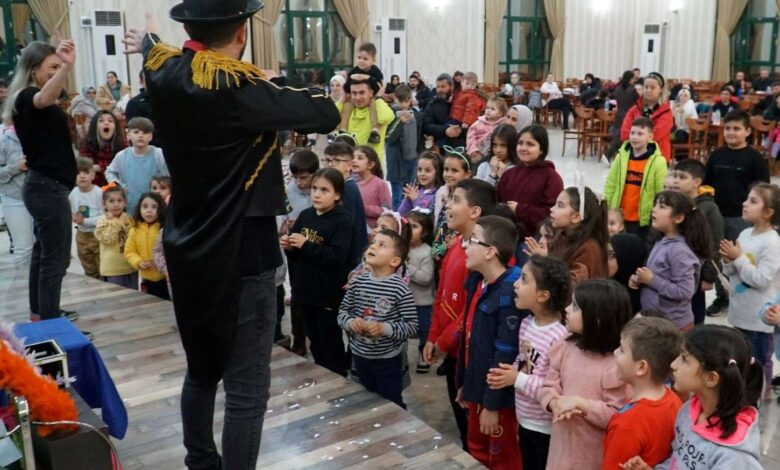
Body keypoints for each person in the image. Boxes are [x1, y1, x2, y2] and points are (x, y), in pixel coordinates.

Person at [123, 3, 341, 467]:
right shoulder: (239, 87)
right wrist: (268, 78)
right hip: (243, 249)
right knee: (246, 388)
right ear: (242, 32)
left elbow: (154, 50)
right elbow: (325, 113)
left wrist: (145, 40)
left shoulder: (162, 71)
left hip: (186, 244)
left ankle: (200, 462)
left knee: (201, 371)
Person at [4, 40, 78, 322]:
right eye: (52, 67)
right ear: (34, 70)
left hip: (45, 187)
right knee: (55, 258)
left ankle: (41, 313)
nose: (57, 72)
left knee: (43, 252)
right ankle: (51, 320)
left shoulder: (30, 98)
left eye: (59, 67)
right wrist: (68, 66)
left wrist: (62, 68)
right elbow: (44, 98)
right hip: (47, 187)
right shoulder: (27, 97)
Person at [621, 325, 763, 470]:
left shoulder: (734, 457)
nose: (673, 364)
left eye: (684, 359)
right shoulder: (688, 410)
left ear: (711, 378)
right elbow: (677, 461)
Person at [424, 179, 496, 450]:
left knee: (476, 435)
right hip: (451, 349)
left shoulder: (482, 255)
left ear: (475, 212)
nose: (447, 205)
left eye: (455, 200)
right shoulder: (456, 244)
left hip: (468, 352)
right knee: (462, 424)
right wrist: (433, 335)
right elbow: (441, 294)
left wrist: (443, 341)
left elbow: (471, 309)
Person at [487, 254, 571, 470]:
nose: (515, 283)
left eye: (524, 279)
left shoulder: (559, 337)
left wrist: (517, 379)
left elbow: (553, 387)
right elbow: (524, 362)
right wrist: (507, 374)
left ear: (542, 295)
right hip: (524, 418)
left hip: (545, 426)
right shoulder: (526, 323)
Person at [539, 279, 632, 470]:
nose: (566, 309)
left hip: (592, 457)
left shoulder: (616, 365)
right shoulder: (565, 347)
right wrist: (554, 402)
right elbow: (548, 386)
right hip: (560, 450)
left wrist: (583, 404)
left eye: (575, 306)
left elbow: (618, 416)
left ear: (596, 318)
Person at [455, 215, 523, 468]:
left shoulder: (510, 293)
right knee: (477, 451)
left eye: (473, 240)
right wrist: (466, 383)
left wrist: (492, 405)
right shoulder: (477, 281)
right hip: (477, 388)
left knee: (501, 458)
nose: (465, 245)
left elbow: (504, 355)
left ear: (490, 252)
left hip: (497, 400)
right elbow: (469, 339)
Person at [283, 168, 353, 377]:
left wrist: (305, 246)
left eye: (324, 190)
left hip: (327, 295)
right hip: (306, 291)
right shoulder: (305, 216)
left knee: (330, 341)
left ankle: (338, 380)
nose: (317, 194)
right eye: (315, 189)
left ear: (337, 194)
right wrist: (291, 248)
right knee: (315, 341)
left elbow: (336, 258)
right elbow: (299, 256)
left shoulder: (342, 221)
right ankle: (323, 377)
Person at [337, 229, 418, 407]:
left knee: (391, 403)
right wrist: (351, 322)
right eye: (373, 242)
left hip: (388, 359)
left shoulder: (400, 289)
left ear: (395, 261)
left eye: (382, 245)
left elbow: (412, 326)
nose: (373, 245)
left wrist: (383, 328)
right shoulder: (357, 282)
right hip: (359, 356)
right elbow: (342, 313)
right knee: (365, 400)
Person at [703, 110, 770, 316]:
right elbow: (706, 184)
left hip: (741, 218)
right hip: (715, 215)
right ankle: (722, 296)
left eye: (736, 129)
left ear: (747, 132)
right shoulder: (717, 155)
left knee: (739, 258)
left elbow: (762, 190)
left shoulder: (755, 158)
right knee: (715, 257)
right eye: (728, 128)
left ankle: (742, 298)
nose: (731, 133)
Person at [720, 183, 780, 397]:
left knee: (759, 362)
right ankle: (742, 397)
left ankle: (759, 400)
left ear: (768, 212)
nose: (745, 204)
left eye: (753, 201)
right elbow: (733, 271)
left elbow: (762, 279)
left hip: (759, 320)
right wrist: (728, 260)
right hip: (739, 313)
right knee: (741, 359)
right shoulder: (745, 234)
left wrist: (738, 258)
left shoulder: (772, 242)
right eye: (747, 199)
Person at [602, 317, 682, 469]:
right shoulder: (674, 400)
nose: (615, 352)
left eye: (622, 349)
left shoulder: (628, 423)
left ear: (641, 367)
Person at [630, 191, 712, 331]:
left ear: (678, 218)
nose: (654, 209)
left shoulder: (680, 251)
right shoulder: (662, 241)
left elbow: (684, 292)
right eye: (655, 205)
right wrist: (640, 279)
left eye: (662, 206)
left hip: (672, 326)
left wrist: (651, 280)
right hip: (656, 321)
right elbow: (660, 275)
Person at [671, 159, 725, 325]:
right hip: (674, 269)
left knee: (694, 317)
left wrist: (708, 276)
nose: (676, 181)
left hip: (696, 272)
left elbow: (714, 243)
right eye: (675, 176)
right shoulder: (674, 202)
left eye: (682, 177)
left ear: (696, 182)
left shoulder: (708, 208)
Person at [604, 117, 667, 239]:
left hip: (642, 220)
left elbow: (661, 191)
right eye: (632, 133)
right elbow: (610, 183)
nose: (635, 137)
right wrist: (608, 207)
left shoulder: (659, 162)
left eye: (640, 134)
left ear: (650, 137)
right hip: (620, 217)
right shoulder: (620, 157)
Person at [496, 125, 563, 239]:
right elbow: (497, 201)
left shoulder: (552, 178)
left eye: (530, 144)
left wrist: (519, 209)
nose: (523, 148)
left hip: (531, 239)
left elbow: (551, 214)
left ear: (541, 150)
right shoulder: (509, 174)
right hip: (503, 235)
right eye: (520, 143)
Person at [531, 186, 609, 284]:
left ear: (576, 217)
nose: (552, 209)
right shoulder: (561, 237)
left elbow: (572, 285)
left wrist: (546, 260)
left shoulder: (589, 248)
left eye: (560, 205)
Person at [105, 117, 169, 213]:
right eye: (136, 132)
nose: (140, 136)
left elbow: (169, 176)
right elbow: (109, 172)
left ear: (151, 136)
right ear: (128, 136)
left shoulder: (159, 154)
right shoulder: (122, 156)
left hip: (154, 208)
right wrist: (118, 185)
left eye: (145, 132)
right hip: (130, 206)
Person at [323, 142, 368, 264]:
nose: (330, 164)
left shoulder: (347, 188)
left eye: (336, 160)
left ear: (349, 165)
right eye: (327, 160)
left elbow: (346, 226)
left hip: (350, 255)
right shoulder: (341, 186)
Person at [405, 209, 435, 373]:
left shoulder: (427, 252)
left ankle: (424, 356)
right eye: (407, 225)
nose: (409, 229)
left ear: (425, 232)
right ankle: (401, 358)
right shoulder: (401, 248)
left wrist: (406, 266)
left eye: (414, 226)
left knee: (424, 331)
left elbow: (425, 278)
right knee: (402, 330)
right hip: (404, 301)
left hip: (422, 302)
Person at [337, 78, 394, 162]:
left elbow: (386, 118)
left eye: (362, 92)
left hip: (372, 168)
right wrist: (342, 99)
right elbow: (328, 120)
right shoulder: (347, 111)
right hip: (350, 166)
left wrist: (377, 98)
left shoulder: (377, 110)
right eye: (354, 93)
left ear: (371, 93)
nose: (358, 97)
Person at [124, 191, 168, 299]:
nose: (149, 210)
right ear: (139, 209)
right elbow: (129, 251)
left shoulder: (164, 229)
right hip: (146, 278)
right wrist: (139, 262)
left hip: (164, 277)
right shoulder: (135, 230)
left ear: (160, 209)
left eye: (154, 207)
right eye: (145, 206)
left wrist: (159, 263)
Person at [621, 72, 673, 162]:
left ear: (660, 89)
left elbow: (656, 135)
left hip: (657, 157)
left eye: (652, 87)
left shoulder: (666, 112)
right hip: (633, 155)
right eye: (646, 87)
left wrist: (635, 140)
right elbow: (625, 132)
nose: (648, 90)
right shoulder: (634, 109)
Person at [0, 122, 32, 265]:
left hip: (41, 196)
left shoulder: (41, 135)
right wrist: (16, 167)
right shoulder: (4, 141)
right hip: (14, 198)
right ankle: (26, 286)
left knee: (43, 248)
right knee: (23, 249)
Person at [386, 84, 422, 209]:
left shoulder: (416, 115)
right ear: (395, 99)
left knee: (409, 193)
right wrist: (400, 122)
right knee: (397, 195)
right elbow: (390, 139)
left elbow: (420, 135)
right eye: (400, 101)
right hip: (397, 161)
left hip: (412, 158)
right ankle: (396, 220)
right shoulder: (390, 114)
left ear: (410, 99)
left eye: (406, 101)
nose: (404, 105)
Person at [339, 43, 384, 144]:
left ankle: (375, 131)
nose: (361, 61)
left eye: (365, 59)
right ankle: (343, 130)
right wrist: (350, 78)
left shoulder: (375, 72)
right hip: (356, 99)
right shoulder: (355, 70)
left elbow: (379, 88)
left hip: (371, 98)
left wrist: (367, 78)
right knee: (347, 105)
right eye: (359, 58)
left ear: (373, 61)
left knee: (374, 105)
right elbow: (347, 88)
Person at [431, 149, 471, 261]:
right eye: (446, 169)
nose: (448, 174)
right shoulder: (440, 193)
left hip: (458, 247)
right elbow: (434, 217)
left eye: (454, 170)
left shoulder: (469, 198)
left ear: (467, 174)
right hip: (438, 243)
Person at [95, 185, 137, 289]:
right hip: (112, 269)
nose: (116, 204)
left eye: (119, 200)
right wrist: (114, 221)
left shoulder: (129, 218)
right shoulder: (102, 221)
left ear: (125, 202)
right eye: (111, 201)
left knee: (133, 296)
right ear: (104, 204)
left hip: (130, 265)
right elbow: (107, 239)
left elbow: (133, 238)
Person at [69, 157, 104, 279]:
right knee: (87, 265)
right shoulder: (72, 193)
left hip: (98, 234)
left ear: (93, 175)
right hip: (82, 234)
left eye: (86, 172)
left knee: (102, 267)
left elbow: (105, 217)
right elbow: (73, 213)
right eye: (78, 173)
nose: (82, 176)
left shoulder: (98, 193)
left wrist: (85, 221)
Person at [79, 110, 127, 186]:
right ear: (95, 126)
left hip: (118, 187)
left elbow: (124, 167)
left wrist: (99, 167)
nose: (106, 123)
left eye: (110, 121)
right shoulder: (86, 145)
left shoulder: (122, 144)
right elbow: (87, 169)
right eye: (101, 121)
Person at [423, 73, 466, 149]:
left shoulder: (462, 101)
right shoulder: (433, 105)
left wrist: (461, 129)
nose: (439, 90)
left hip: (461, 143)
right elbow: (427, 126)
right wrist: (445, 131)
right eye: (438, 87)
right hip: (441, 145)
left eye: (443, 87)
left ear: (451, 87)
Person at [352, 145, 391, 229]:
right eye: (353, 157)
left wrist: (363, 208)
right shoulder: (351, 184)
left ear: (370, 164)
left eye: (360, 158)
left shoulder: (380, 184)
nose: (354, 161)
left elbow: (387, 211)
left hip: (373, 232)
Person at [609, 233, 647, 314]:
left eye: (611, 255)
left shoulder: (632, 303)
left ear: (626, 259)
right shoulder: (604, 288)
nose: (604, 259)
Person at [607, 71, 640, 161]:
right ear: (630, 79)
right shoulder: (632, 90)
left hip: (619, 114)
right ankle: (612, 155)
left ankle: (613, 156)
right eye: (633, 79)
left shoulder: (618, 88)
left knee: (619, 136)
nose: (634, 80)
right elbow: (639, 103)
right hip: (628, 115)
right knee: (622, 137)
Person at [466, 97, 508, 163]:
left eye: (492, 109)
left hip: (493, 153)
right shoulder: (479, 123)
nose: (488, 111)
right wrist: (473, 150)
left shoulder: (503, 125)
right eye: (487, 108)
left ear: (500, 113)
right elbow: (470, 137)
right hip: (477, 151)